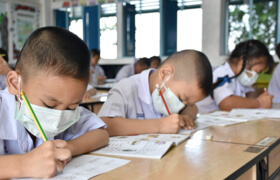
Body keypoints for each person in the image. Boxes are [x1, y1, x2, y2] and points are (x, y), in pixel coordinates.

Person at [0, 27, 109, 179]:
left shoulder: (66, 108)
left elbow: (101, 134)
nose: (58, 118)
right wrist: (23, 164)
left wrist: (70, 147)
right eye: (49, 105)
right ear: (14, 84)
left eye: (72, 107)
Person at [98, 50, 213, 136]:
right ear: (165, 74)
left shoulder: (180, 94)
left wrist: (185, 117)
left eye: (187, 103)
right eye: (180, 98)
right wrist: (160, 125)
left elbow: (193, 109)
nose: (182, 105)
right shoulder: (126, 89)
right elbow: (105, 124)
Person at [196, 40, 274, 113]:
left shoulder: (239, 78)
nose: (256, 76)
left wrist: (262, 95)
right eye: (257, 72)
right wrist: (259, 102)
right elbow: (226, 103)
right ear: (242, 62)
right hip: (206, 119)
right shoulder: (222, 74)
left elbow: (248, 96)